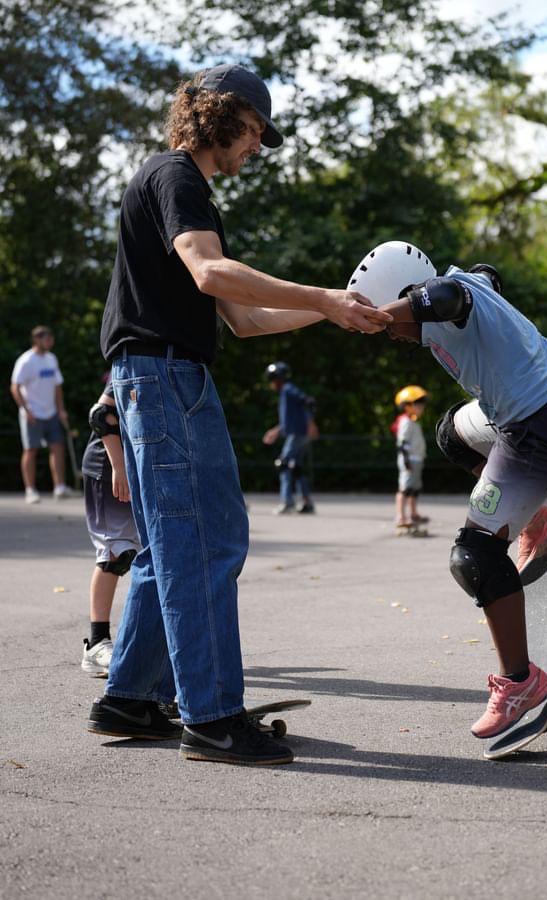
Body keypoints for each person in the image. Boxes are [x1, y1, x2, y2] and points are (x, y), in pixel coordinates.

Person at [88, 63, 391, 767]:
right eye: (253, 129)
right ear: (218, 114)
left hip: (163, 377)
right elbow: (210, 272)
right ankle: (214, 716)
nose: (255, 147)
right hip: (164, 379)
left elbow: (245, 319)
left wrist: (337, 312)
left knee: (177, 548)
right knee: (209, 544)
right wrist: (321, 296)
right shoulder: (176, 177)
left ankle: (130, 698)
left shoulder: (184, 190)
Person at [348, 240, 547, 739]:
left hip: (541, 428)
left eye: (389, 322)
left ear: (405, 296)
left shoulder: (448, 298)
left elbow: (447, 296)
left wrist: (385, 313)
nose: (390, 334)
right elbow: (488, 274)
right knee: (451, 434)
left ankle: (520, 682)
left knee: (475, 555)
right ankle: (537, 517)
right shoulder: (472, 284)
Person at [80, 381, 140, 677]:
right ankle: (96, 643)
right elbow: (101, 414)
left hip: (138, 468)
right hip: (108, 469)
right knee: (115, 553)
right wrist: (118, 466)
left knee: (145, 555)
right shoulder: (130, 356)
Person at [10, 325, 74, 502]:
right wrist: (25, 409)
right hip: (32, 413)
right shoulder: (26, 361)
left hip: (51, 412)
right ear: (37, 339)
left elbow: (57, 386)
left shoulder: (51, 359)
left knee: (58, 447)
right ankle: (30, 490)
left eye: (51, 338)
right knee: (31, 450)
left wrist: (61, 410)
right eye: (47, 339)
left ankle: (59, 487)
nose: (50, 342)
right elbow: (15, 386)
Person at [262, 361, 317, 514]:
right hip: (299, 433)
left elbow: (309, 402)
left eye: (271, 380)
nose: (271, 384)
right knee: (296, 467)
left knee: (284, 464)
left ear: (277, 379)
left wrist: (311, 424)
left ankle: (287, 502)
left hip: (297, 434)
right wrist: (275, 431)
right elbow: (289, 421)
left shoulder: (288, 390)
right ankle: (307, 502)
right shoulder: (287, 392)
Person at [391, 385, 429, 528]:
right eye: (418, 405)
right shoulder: (405, 422)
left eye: (421, 405)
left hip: (417, 459)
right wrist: (406, 460)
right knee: (405, 488)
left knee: (414, 489)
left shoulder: (413, 422)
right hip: (409, 460)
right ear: (407, 406)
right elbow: (402, 443)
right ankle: (400, 516)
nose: (421, 408)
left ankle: (413, 513)